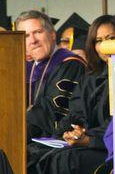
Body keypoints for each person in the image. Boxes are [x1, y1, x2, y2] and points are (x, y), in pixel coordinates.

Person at [34, 14, 115, 174]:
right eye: (99, 40)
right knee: (41, 157)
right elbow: (75, 112)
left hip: (112, 148)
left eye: (111, 38)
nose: (105, 45)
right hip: (88, 143)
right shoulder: (91, 77)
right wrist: (73, 131)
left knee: (66, 162)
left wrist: (88, 140)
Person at [15, 10, 86, 141]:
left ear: (52, 35)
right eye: (26, 36)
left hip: (56, 142)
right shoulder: (26, 68)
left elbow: (52, 111)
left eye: (38, 32)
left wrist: (16, 132)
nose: (33, 40)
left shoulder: (70, 64)